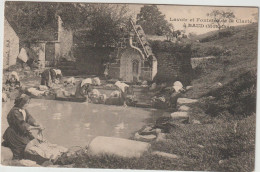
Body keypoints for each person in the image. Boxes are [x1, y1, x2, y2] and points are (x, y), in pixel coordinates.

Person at [2, 94, 44, 159]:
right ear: (21, 103)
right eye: (26, 103)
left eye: (28, 103)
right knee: (20, 148)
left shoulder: (23, 109)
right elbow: (22, 124)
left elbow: (29, 118)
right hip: (14, 133)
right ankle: (16, 160)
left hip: (22, 131)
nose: (27, 104)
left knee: (32, 140)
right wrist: (36, 128)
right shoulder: (15, 112)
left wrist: (36, 124)